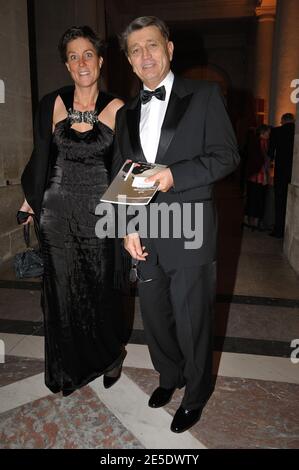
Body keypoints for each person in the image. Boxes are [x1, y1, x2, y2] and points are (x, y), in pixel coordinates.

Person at [112, 16, 240, 433]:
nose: (144, 55)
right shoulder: (126, 113)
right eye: (136, 50)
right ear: (130, 62)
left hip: (190, 226)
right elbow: (122, 173)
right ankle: (170, 377)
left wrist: (175, 175)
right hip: (145, 231)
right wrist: (127, 227)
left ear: (169, 49)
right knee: (155, 315)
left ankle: (197, 392)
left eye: (152, 45)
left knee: (192, 318)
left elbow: (227, 156)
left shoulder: (204, 95)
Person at [19, 25, 126, 396]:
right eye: (73, 56)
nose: (82, 62)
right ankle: (66, 367)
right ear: (67, 65)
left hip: (100, 214)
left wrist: (127, 223)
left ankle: (109, 355)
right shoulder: (52, 103)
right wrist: (30, 198)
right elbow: (41, 154)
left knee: (101, 290)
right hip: (56, 210)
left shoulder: (119, 108)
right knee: (61, 292)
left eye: (88, 55)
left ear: (100, 60)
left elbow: (125, 167)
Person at [268, 113, 295, 238]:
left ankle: (279, 230)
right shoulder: (296, 131)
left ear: (282, 121)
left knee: (280, 201)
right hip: (294, 172)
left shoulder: (277, 131)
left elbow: (270, 153)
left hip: (281, 171)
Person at [243, 124, 271, 231]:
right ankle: (253, 222)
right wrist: (265, 175)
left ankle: (251, 221)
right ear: (263, 132)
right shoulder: (261, 142)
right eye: (268, 132)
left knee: (253, 198)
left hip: (254, 175)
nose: (269, 134)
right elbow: (262, 160)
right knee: (256, 199)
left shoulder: (259, 141)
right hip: (257, 176)